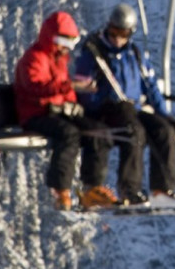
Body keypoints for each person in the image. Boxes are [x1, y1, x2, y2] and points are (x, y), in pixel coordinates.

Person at [74, 3, 175, 207]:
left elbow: (150, 87)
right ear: (108, 27)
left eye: (123, 33)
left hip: (132, 108)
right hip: (105, 110)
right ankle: (130, 190)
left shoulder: (134, 54)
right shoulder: (93, 53)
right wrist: (99, 102)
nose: (117, 37)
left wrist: (165, 115)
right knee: (134, 132)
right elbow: (81, 88)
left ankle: (162, 189)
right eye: (113, 31)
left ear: (130, 33)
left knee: (163, 131)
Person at [14, 11, 119, 211]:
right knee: (69, 134)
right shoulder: (34, 58)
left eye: (71, 43)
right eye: (65, 42)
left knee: (97, 130)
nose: (66, 48)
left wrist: (73, 102)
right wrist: (69, 87)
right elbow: (35, 88)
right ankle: (61, 190)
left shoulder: (59, 59)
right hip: (36, 114)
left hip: (57, 111)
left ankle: (92, 188)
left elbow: (63, 88)